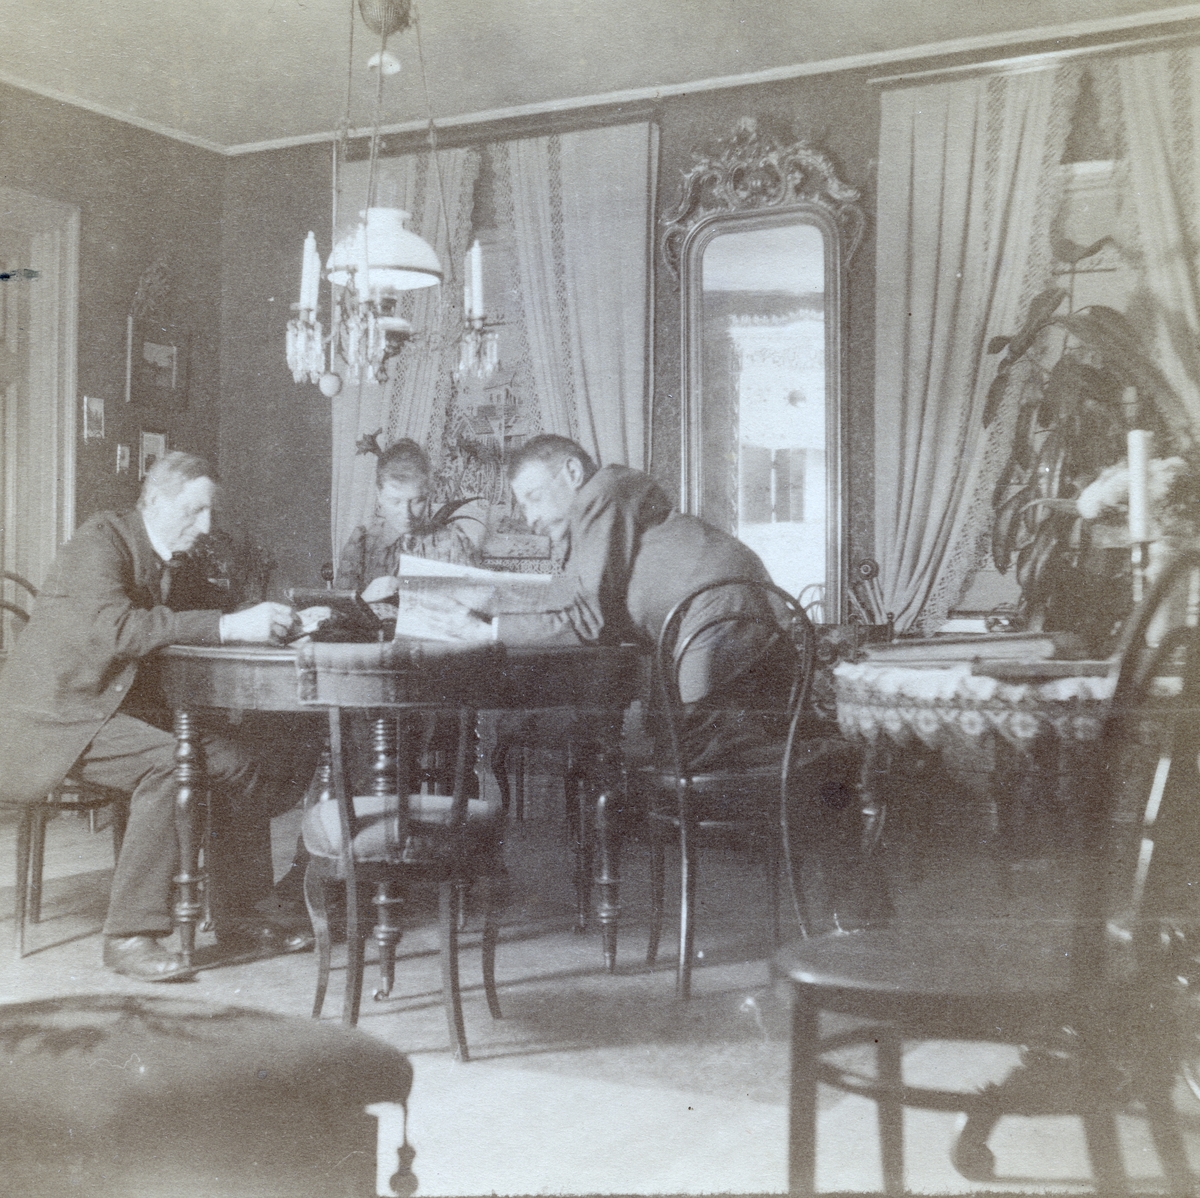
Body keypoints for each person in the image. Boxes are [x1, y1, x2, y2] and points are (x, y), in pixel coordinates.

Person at [0, 452, 313, 981]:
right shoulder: (99, 542)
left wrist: (289, 621)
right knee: (171, 763)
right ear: (155, 501)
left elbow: (204, 616)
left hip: (108, 709)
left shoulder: (175, 558)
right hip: (53, 719)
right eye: (194, 511)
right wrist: (230, 626)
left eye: (210, 512)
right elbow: (121, 629)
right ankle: (128, 936)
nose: (206, 525)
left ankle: (239, 915)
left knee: (236, 760)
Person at [494, 434, 798, 768]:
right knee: (688, 749)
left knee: (693, 755)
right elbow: (582, 601)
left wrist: (489, 631)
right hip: (731, 610)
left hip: (720, 611)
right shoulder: (606, 503)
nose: (530, 519)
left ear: (572, 472)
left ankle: (813, 759)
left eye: (534, 498)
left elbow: (587, 620)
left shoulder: (599, 496)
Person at [337, 437, 481, 601]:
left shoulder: (452, 543)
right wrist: (364, 599)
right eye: (395, 501)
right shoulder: (361, 545)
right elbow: (340, 612)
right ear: (379, 495)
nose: (406, 514)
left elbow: (477, 607)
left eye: (416, 501)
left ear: (427, 495)